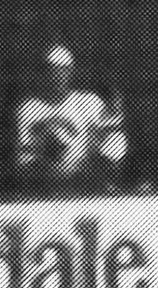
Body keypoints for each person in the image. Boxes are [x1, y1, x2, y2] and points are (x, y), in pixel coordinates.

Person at [15, 45, 126, 193]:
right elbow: (24, 160)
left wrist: (93, 164)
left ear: (71, 71)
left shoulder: (89, 102)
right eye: (53, 70)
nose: (58, 75)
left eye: (63, 70)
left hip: (86, 183)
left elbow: (113, 144)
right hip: (45, 187)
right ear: (44, 73)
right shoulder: (29, 108)